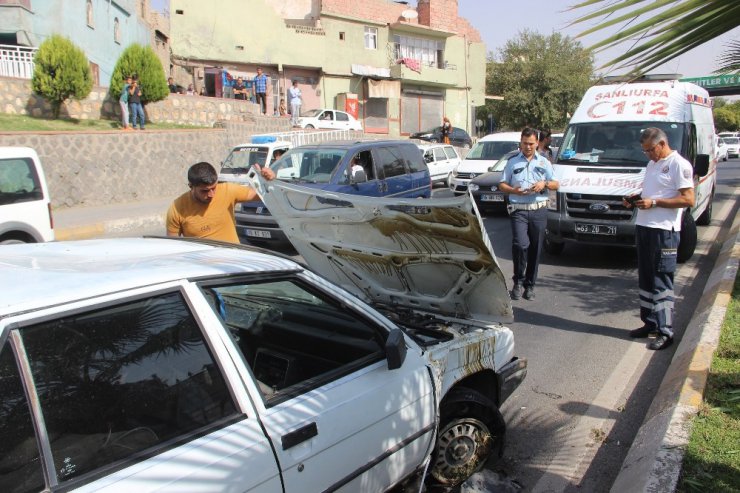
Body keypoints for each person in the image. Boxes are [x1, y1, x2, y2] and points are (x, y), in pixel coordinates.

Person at [623, 127, 695, 350]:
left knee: (661, 280)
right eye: (645, 151)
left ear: (662, 144)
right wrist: (635, 199)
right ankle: (650, 323)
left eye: (650, 150)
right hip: (644, 226)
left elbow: (688, 199)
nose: (648, 155)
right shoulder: (652, 163)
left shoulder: (678, 164)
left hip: (664, 231)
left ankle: (666, 331)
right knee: (646, 277)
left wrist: (654, 203)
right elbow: (653, 193)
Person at [498, 127, 559, 301]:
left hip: (538, 210)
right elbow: (502, 184)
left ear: (537, 143)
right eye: (525, 143)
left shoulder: (544, 162)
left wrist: (544, 184)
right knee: (520, 245)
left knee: (535, 248)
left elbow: (556, 184)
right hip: (519, 211)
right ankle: (518, 281)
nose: (528, 147)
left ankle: (529, 286)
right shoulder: (512, 162)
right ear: (520, 142)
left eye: (531, 143)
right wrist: (513, 191)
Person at [166, 161, 276, 243]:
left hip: (234, 263)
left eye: (214, 188)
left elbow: (259, 195)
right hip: (204, 270)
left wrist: (268, 181)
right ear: (191, 186)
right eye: (204, 191)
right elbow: (173, 246)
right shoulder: (177, 208)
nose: (211, 195)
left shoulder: (228, 190)